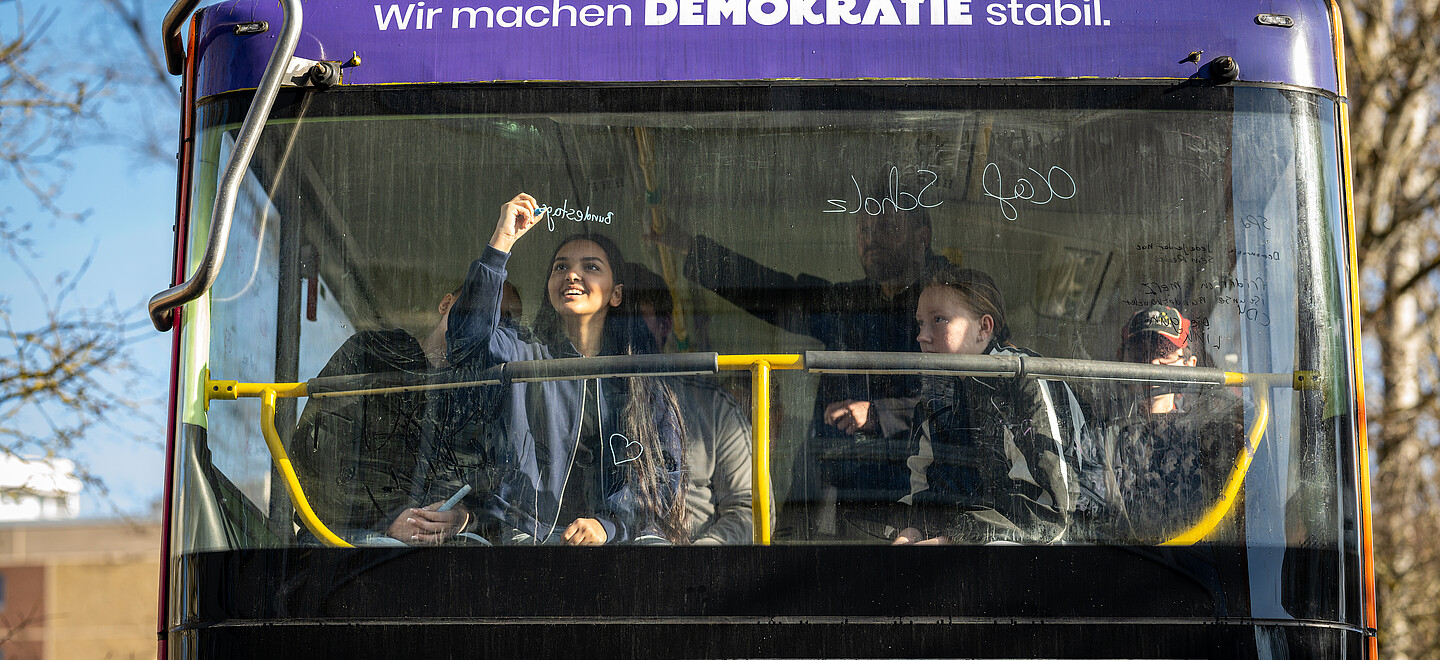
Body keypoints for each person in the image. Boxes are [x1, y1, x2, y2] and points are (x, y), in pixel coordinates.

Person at [651, 174, 950, 537]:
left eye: (885, 225)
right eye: (863, 229)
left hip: (924, 496)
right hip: (840, 492)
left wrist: (880, 413)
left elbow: (963, 397)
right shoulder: (849, 302)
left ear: (923, 234)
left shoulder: (952, 297)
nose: (871, 239)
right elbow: (777, 294)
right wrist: (692, 249)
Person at [448, 193, 689, 545]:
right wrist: (502, 242)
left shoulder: (639, 378)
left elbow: (661, 474)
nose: (572, 274)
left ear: (616, 294)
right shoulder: (521, 355)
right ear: (549, 288)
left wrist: (609, 526)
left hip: (620, 546)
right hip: (525, 541)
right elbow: (466, 338)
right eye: (560, 267)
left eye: (591, 267)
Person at [292, 287, 500, 546]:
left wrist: (464, 517)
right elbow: (316, 457)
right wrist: (386, 520)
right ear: (446, 303)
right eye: (480, 305)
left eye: (502, 319)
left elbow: (496, 488)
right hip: (342, 535)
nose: (489, 319)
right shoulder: (371, 354)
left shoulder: (484, 397)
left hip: (445, 543)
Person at [893, 266, 1084, 545]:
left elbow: (1052, 513)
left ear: (984, 328)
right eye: (921, 323)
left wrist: (954, 540)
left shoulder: (1024, 380)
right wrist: (912, 531)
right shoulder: (937, 393)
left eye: (939, 320)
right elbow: (928, 489)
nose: (922, 335)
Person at [621, 263, 755, 545]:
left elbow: (748, 508)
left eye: (636, 315)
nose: (624, 326)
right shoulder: (585, 399)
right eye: (616, 316)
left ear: (665, 324)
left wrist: (698, 558)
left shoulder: (712, 405)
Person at [1100, 305, 1245, 543]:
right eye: (1140, 352)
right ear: (1121, 359)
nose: (1152, 364)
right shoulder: (1102, 435)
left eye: (1165, 352)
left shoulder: (1208, 436)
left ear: (1190, 365)